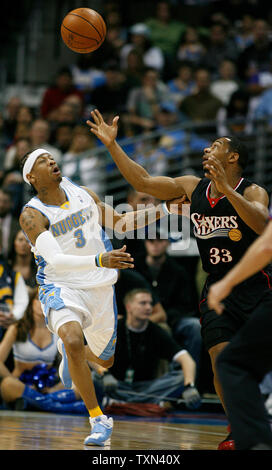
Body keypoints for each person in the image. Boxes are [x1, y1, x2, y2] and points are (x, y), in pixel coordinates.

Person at [87, 108, 272, 450]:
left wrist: (227, 191)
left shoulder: (253, 191)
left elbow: (262, 224)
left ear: (232, 157)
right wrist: (113, 146)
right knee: (219, 358)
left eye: (215, 144)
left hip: (259, 286)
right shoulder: (191, 188)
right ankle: (237, 430)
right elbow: (142, 182)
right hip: (218, 290)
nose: (206, 149)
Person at [18, 146, 184, 446]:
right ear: (31, 176)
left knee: (105, 361)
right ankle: (98, 419)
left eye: (52, 157)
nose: (52, 161)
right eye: (42, 160)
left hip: (99, 287)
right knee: (72, 339)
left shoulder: (83, 193)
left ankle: (72, 354)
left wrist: (166, 209)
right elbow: (54, 260)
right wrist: (99, 260)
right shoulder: (31, 215)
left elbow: (121, 223)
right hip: (61, 285)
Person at [207, 208, 272, 450]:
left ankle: (257, 444)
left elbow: (267, 245)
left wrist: (226, 283)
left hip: (257, 289)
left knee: (233, 363)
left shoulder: (254, 193)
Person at [98, 288, 201, 409]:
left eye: (150, 303)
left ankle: (123, 403)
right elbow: (90, 355)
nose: (148, 308)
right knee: (94, 377)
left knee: (182, 377)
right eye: (143, 303)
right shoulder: (114, 328)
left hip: (146, 387)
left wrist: (190, 386)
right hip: (115, 384)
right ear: (128, 307)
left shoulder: (156, 331)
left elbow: (187, 360)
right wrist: (104, 373)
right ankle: (145, 403)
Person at [134, 231, 202, 373]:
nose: (155, 245)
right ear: (145, 243)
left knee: (195, 326)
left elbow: (186, 305)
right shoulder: (135, 268)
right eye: (151, 241)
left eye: (160, 241)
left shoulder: (178, 271)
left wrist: (167, 318)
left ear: (167, 243)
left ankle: (188, 377)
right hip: (136, 318)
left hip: (172, 320)